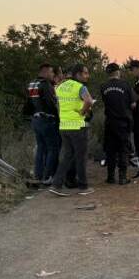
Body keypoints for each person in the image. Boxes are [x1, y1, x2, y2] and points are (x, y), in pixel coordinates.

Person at [50, 64, 94, 196]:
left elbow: (58, 105)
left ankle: (57, 185)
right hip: (77, 126)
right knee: (80, 157)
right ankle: (83, 187)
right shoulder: (80, 87)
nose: (87, 76)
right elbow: (89, 101)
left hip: (64, 126)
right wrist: (82, 111)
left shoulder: (59, 86)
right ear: (78, 74)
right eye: (85, 73)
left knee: (67, 156)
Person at [100, 62, 135, 185]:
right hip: (123, 122)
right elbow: (133, 104)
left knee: (110, 150)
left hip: (110, 122)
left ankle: (110, 177)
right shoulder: (125, 85)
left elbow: (105, 101)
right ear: (117, 72)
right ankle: (122, 177)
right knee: (123, 150)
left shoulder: (103, 86)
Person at [27, 62, 60, 185]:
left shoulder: (32, 84)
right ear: (45, 72)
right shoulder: (46, 84)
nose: (53, 75)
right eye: (51, 72)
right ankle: (48, 176)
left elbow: (28, 104)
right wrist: (58, 117)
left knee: (41, 148)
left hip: (36, 120)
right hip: (48, 120)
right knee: (53, 148)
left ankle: (39, 175)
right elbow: (52, 103)